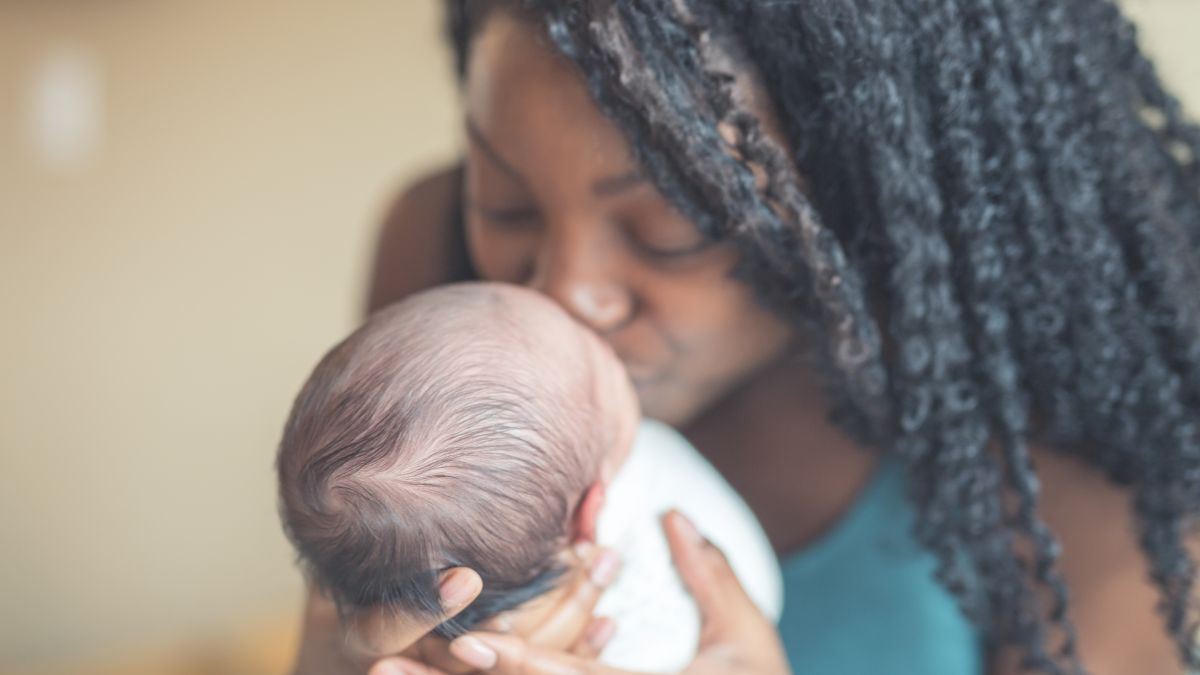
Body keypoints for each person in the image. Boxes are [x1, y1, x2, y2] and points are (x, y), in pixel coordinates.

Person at [292, 1, 1200, 673]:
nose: (562, 291)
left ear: (864, 198)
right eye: (507, 203)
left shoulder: (1084, 479)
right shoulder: (441, 266)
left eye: (668, 231)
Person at [277, 283, 782, 673]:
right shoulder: (660, 589)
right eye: (509, 212)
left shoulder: (431, 633)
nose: (573, 300)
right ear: (589, 514)